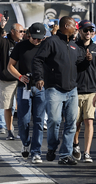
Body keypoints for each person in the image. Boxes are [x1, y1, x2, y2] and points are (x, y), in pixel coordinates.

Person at [31, 16, 87, 165]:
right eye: (73, 26)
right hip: (54, 89)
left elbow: (79, 66)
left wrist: (86, 61)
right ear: (65, 26)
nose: (76, 28)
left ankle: (65, 155)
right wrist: (39, 77)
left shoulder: (75, 46)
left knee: (71, 123)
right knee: (54, 120)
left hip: (72, 90)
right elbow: (38, 59)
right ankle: (52, 147)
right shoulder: (51, 42)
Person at [7, 23, 47, 160]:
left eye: (40, 39)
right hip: (23, 87)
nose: (37, 41)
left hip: (41, 88)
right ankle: (26, 143)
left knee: (39, 121)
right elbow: (10, 66)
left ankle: (36, 152)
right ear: (29, 35)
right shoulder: (20, 46)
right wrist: (19, 76)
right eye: (35, 38)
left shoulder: (46, 46)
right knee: (23, 121)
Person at [72, 20, 96, 163]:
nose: (88, 33)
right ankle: (75, 145)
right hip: (75, 91)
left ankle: (87, 152)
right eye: (85, 30)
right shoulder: (73, 47)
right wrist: (85, 61)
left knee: (89, 122)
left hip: (92, 91)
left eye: (90, 30)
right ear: (79, 31)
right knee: (75, 123)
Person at [0, 19, 25, 141]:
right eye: (20, 31)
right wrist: (1, 26)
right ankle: (9, 130)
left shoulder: (24, 44)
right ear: (13, 32)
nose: (23, 33)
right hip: (7, 80)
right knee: (8, 106)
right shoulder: (4, 42)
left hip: (22, 80)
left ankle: (22, 130)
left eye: (24, 31)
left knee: (23, 106)